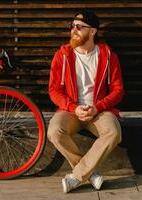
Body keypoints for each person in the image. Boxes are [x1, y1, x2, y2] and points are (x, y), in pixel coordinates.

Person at [47, 10, 124, 193]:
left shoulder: (107, 56)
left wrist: (97, 107)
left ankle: (77, 176)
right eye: (72, 26)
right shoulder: (62, 55)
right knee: (54, 131)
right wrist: (73, 107)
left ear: (93, 31)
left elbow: (118, 90)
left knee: (113, 132)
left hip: (99, 111)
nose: (74, 30)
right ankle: (90, 173)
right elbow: (54, 90)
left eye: (79, 27)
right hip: (70, 110)